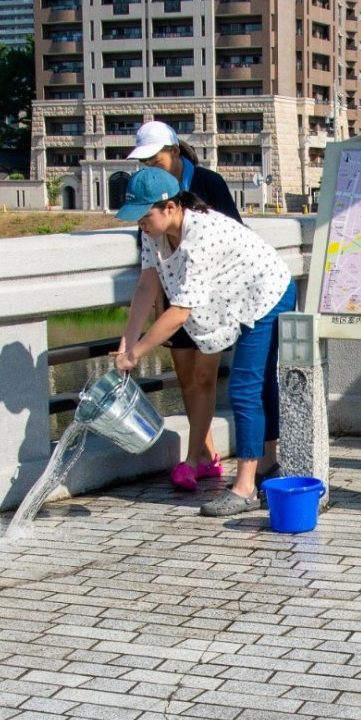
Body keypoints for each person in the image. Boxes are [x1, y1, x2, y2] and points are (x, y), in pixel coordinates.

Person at [113, 166, 297, 518]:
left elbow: (180, 313)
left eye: (145, 216)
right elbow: (146, 286)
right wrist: (127, 340)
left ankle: (246, 488)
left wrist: (135, 354)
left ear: (170, 207)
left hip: (266, 293)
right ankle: (267, 468)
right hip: (236, 297)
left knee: (245, 386)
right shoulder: (154, 234)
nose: (141, 224)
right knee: (256, 384)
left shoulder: (201, 234)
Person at [127, 121, 242, 492]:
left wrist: (136, 348)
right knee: (188, 379)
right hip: (175, 300)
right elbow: (149, 271)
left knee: (206, 377)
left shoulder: (208, 183)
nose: (150, 165)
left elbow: (234, 237)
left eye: (155, 158)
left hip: (213, 299)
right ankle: (206, 455)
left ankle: (194, 460)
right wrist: (142, 328)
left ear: (174, 151)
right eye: (144, 160)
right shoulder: (146, 198)